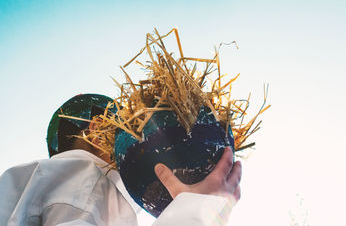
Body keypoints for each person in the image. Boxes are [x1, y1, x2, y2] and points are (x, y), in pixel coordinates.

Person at [0, 94, 242, 226]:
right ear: (99, 129)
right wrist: (198, 207)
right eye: (127, 127)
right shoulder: (88, 176)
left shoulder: (29, 180)